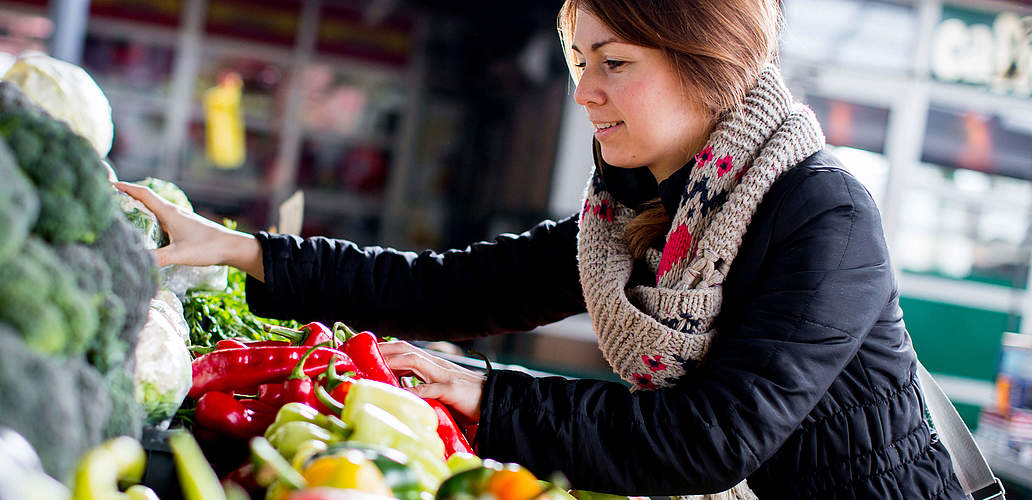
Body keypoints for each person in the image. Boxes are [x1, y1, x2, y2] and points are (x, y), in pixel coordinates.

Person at [118, 0, 964, 497]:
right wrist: (243, 252)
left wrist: (488, 396)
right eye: (578, 59)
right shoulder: (635, 218)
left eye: (614, 61)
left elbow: (712, 438)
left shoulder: (822, 214)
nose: (585, 91)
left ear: (708, 63)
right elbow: (449, 292)